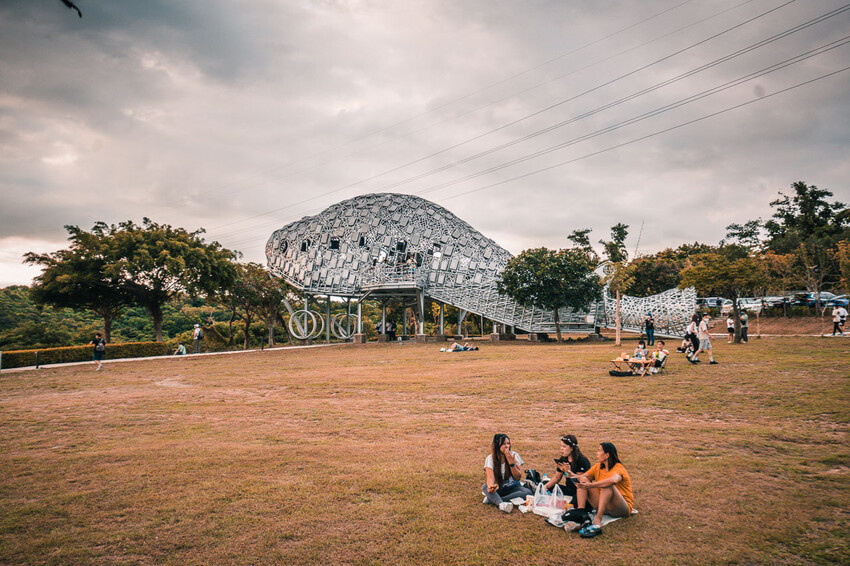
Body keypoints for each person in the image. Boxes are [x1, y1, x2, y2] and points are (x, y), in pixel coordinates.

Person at [574, 442, 634, 538]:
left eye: (599, 451)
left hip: (620, 508)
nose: (596, 453)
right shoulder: (598, 466)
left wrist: (591, 485)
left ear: (607, 455)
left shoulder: (618, 468)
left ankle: (598, 519)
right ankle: (580, 512)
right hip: (604, 505)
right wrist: (568, 472)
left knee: (607, 485)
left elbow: (613, 480)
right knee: (583, 481)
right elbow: (582, 477)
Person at [482, 434, 533, 513]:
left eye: (508, 443)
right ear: (497, 446)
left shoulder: (514, 455)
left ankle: (493, 499)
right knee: (485, 487)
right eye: (503, 444)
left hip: (514, 487)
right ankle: (501, 504)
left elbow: (518, 477)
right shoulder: (490, 458)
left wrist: (511, 463)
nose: (506, 446)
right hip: (499, 488)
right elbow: (490, 478)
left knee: (528, 493)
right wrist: (490, 486)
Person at [540, 434, 591, 504]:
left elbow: (580, 484)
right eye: (561, 446)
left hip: (580, 491)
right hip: (568, 489)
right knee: (544, 484)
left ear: (572, 448)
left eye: (564, 446)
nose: (561, 449)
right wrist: (546, 486)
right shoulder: (563, 459)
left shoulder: (582, 461)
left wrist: (569, 473)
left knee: (576, 500)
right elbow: (557, 477)